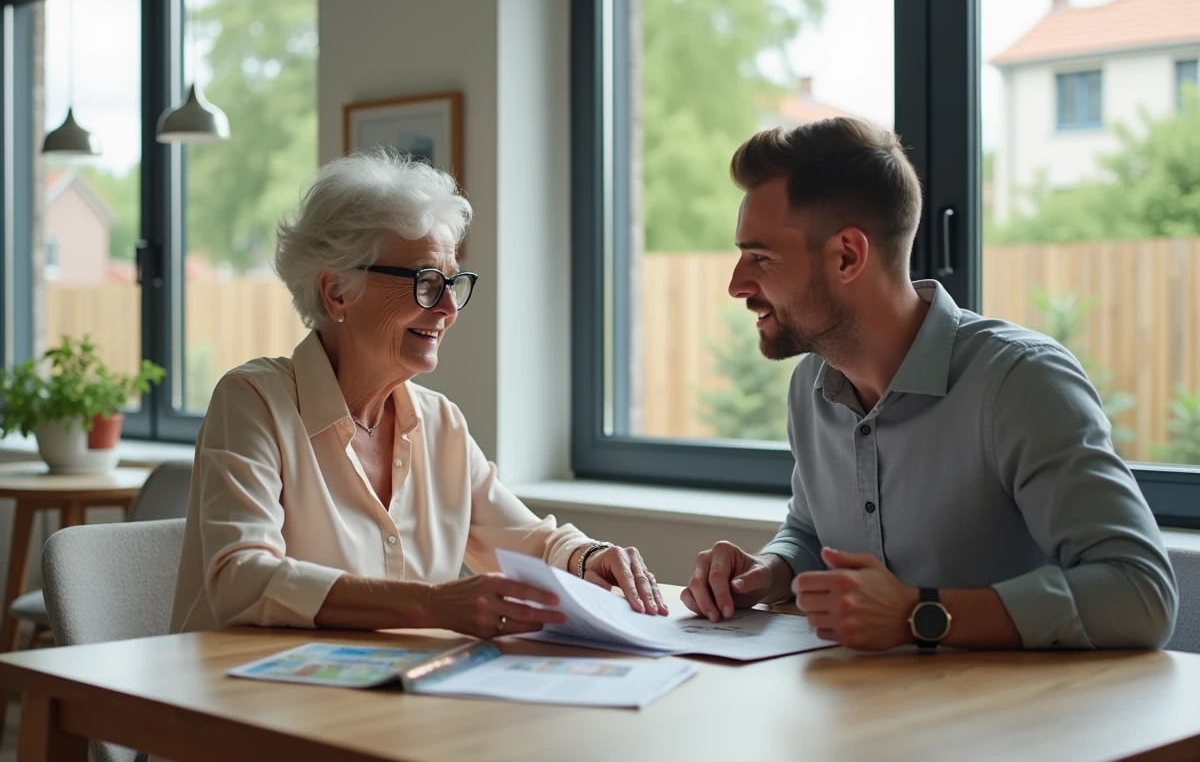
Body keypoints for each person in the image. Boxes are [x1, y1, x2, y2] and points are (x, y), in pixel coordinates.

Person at [682, 117, 1177, 651]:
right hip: (869, 715)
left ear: (848, 255)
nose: (737, 284)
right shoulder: (813, 385)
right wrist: (769, 570)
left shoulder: (1021, 381)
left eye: (759, 257)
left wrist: (921, 615)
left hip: (1014, 723)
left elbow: (1142, 594)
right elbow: (812, 533)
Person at [171, 150, 667, 640]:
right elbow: (242, 579)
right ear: (336, 291)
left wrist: (591, 557)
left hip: (382, 700)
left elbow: (527, 542)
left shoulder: (439, 423)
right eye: (426, 282)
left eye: (453, 282)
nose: (449, 308)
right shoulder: (253, 403)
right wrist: (432, 605)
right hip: (240, 699)